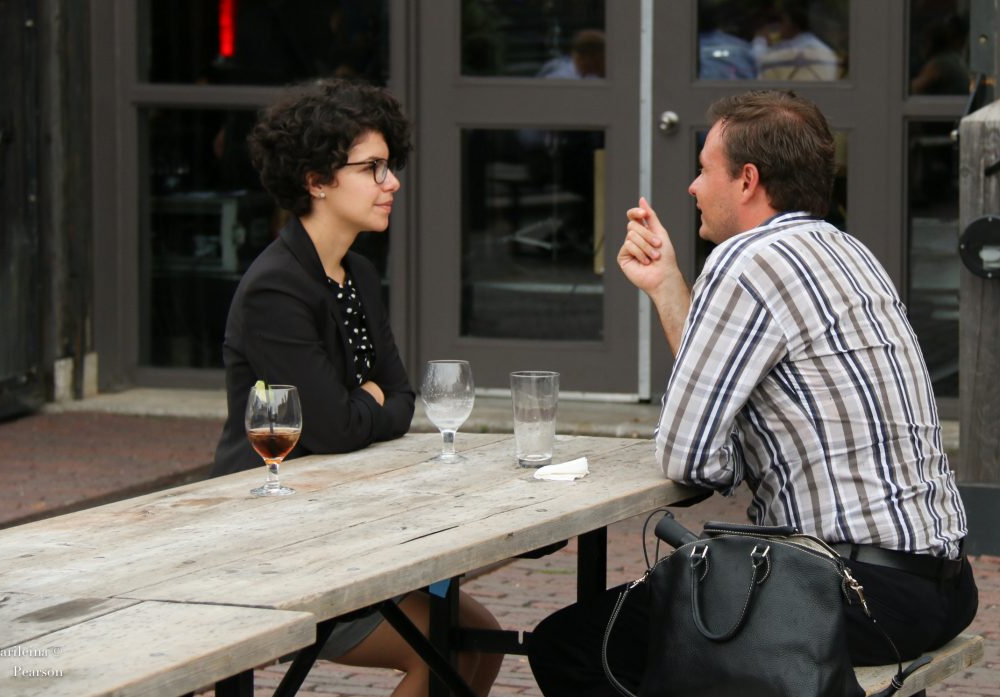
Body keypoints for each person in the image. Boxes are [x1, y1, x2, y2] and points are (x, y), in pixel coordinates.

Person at [527, 89, 978, 695]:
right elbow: (730, 393)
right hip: (943, 586)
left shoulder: (746, 260)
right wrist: (667, 286)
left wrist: (727, 453)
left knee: (574, 645)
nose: (691, 186)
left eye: (703, 168)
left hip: (849, 593)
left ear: (747, 180)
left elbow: (692, 458)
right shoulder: (846, 250)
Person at [211, 79, 502, 697]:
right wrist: (365, 404)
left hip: (351, 517)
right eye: (372, 168)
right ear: (317, 180)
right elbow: (334, 428)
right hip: (279, 534)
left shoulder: (358, 273)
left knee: (479, 640)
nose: (390, 182)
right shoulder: (276, 289)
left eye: (389, 166)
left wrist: (364, 405)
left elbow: (401, 400)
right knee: (449, 648)